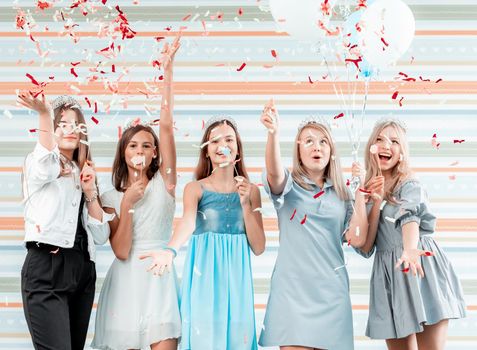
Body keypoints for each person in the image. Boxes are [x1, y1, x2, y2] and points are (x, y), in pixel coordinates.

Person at [141, 116, 266, 350]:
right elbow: (187, 221)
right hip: (204, 280)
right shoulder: (195, 188)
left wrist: (247, 204)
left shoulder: (252, 191)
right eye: (214, 141)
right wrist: (170, 250)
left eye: (229, 139)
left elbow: (259, 247)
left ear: (237, 149)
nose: (222, 145)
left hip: (237, 284)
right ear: (206, 151)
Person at [91, 36, 181, 350]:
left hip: (159, 279)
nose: (140, 149)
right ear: (124, 152)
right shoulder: (112, 196)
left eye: (146, 145)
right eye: (133, 145)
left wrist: (167, 70)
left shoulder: (166, 183)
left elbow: (166, 126)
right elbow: (120, 250)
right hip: (125, 284)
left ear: (155, 153)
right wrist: (128, 203)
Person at [258, 100, 369, 350]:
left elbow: (358, 239)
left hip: (333, 295)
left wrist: (360, 192)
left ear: (331, 150)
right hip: (292, 294)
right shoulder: (287, 187)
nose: (316, 147)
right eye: (308, 141)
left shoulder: (342, 195)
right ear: (298, 150)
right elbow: (274, 173)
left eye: (323, 142)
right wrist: (273, 134)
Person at [357, 119, 466, 350]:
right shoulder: (365, 192)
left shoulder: (408, 184)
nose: (386, 145)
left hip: (419, 266)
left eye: (394, 141)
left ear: (402, 153)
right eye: (380, 139)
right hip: (390, 275)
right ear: (371, 148)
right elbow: (365, 247)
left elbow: (410, 219)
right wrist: (373, 202)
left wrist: (409, 249)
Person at [19, 93, 113, 350]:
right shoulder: (39, 164)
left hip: (82, 269)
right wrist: (44, 114)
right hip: (47, 266)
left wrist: (90, 191)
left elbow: (101, 236)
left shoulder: (84, 170)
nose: (69, 129)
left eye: (75, 124)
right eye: (61, 123)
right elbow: (45, 164)